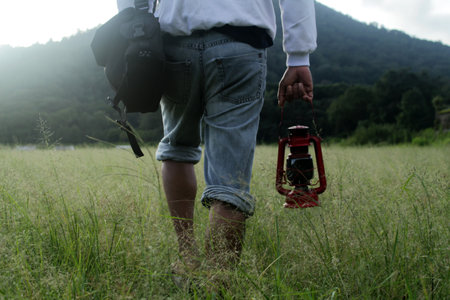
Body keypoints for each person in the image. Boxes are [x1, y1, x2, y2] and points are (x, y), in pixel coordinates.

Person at [116, 0, 316, 275]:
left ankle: (187, 259)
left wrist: (139, 25)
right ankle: (217, 284)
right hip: (241, 44)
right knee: (229, 178)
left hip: (175, 44)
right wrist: (298, 56)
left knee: (177, 148)